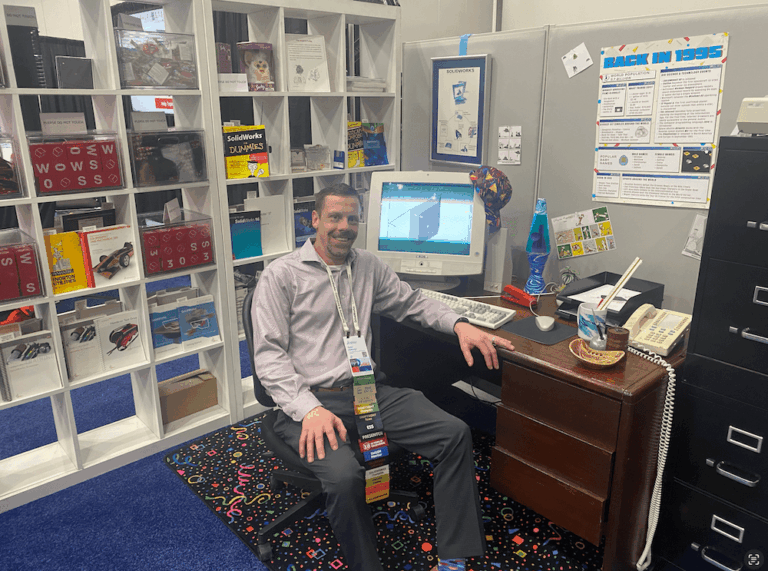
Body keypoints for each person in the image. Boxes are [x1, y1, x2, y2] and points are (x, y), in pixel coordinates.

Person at [251, 183, 515, 571]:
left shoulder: (368, 266)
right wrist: (307, 409)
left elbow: (411, 303)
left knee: (453, 433)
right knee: (343, 478)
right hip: (309, 402)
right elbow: (268, 357)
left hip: (368, 393)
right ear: (315, 220)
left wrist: (460, 324)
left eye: (352, 218)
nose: (344, 226)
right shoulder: (281, 276)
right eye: (334, 217)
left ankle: (455, 556)